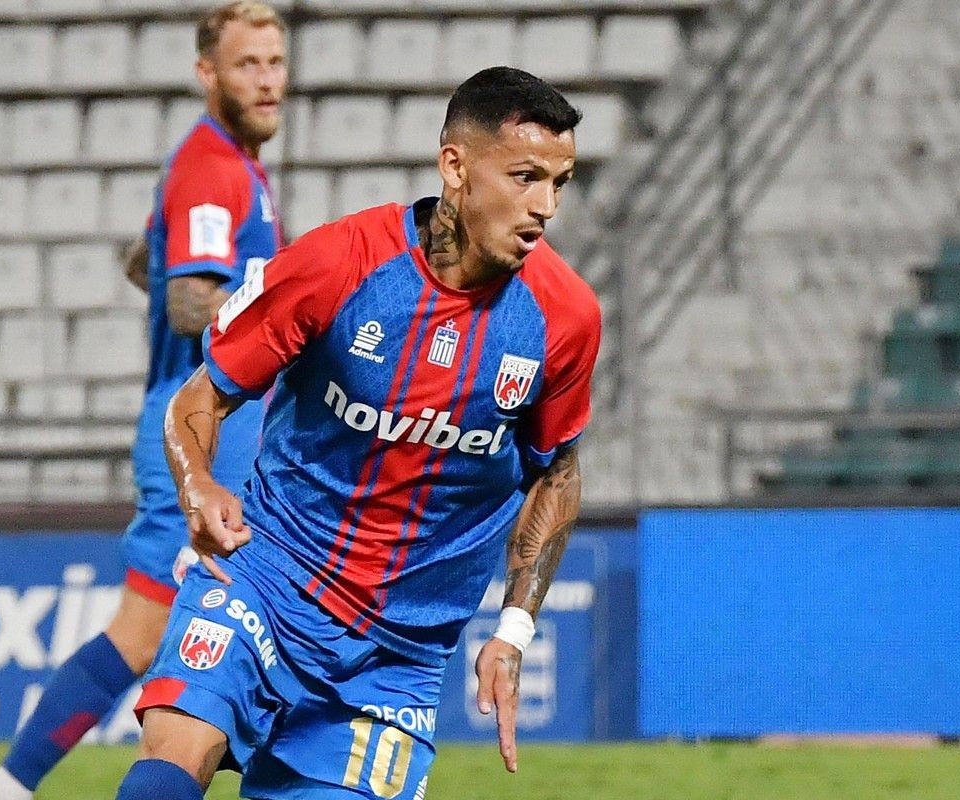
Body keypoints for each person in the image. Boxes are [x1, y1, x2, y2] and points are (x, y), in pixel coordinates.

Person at [113, 66, 602, 800]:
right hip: (267, 579)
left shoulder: (564, 318)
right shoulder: (339, 262)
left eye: (559, 183)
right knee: (170, 761)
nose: (545, 206)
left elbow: (556, 474)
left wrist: (514, 630)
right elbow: (200, 397)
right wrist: (198, 484)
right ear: (455, 167)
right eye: (525, 177)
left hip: (396, 656)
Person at [0, 4, 287, 799]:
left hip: (222, 435)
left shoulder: (229, 166)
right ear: (207, 73)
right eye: (248, 64)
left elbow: (146, 260)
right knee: (146, 630)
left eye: (276, 63)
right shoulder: (212, 165)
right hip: (199, 437)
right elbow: (187, 300)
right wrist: (290, 321)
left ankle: (6, 788)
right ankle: (4, 788)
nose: (268, 81)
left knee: (203, 625)